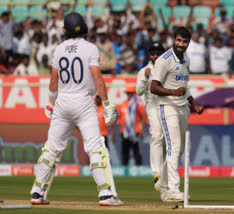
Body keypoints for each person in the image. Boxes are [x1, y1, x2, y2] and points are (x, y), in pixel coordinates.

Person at [29, 12, 122, 206]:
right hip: (83, 101)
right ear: (84, 28)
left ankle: (37, 192)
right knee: (95, 148)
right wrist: (106, 103)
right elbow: (97, 76)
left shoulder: (59, 49)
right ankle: (105, 194)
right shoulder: (90, 48)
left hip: (63, 101)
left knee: (51, 149)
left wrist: (50, 101)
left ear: (66, 30)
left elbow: (53, 80)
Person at [150, 26, 204, 202]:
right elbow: (153, 87)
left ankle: (162, 184)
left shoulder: (186, 59)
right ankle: (173, 189)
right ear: (173, 40)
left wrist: (194, 104)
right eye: (179, 40)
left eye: (185, 41)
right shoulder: (164, 60)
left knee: (178, 150)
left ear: (188, 43)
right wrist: (173, 93)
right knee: (174, 147)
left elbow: (185, 86)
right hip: (167, 107)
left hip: (183, 108)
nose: (181, 44)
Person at [136, 42, 165, 184]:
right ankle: (157, 172)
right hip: (152, 106)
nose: (155, 56)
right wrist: (145, 78)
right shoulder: (144, 71)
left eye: (158, 53)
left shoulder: (168, 67)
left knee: (168, 139)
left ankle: (166, 170)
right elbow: (139, 91)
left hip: (167, 105)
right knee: (156, 135)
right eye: (152, 53)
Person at [119, 85, 147, 166]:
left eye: (130, 93)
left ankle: (139, 171)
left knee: (136, 152)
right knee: (125, 152)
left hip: (135, 131)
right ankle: (125, 171)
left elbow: (144, 116)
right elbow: (120, 117)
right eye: (128, 93)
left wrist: (142, 129)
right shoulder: (123, 104)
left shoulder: (138, 104)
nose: (129, 95)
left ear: (133, 94)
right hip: (124, 132)